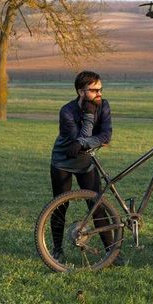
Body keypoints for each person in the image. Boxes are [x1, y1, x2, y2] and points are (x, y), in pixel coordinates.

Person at [49, 70, 124, 266]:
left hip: (86, 162)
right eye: (94, 90)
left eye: (100, 89)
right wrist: (89, 116)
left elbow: (106, 136)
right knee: (59, 206)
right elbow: (78, 139)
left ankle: (112, 252)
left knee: (97, 206)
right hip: (62, 162)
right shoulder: (67, 111)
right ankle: (57, 250)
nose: (99, 93)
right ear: (81, 92)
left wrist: (86, 142)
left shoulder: (104, 105)